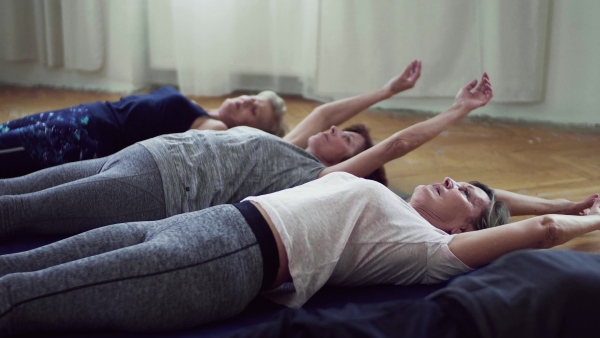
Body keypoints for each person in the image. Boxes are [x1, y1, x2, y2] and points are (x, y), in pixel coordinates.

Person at [1, 171, 599, 336]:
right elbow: (519, 206)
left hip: (225, 258)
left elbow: (537, 229)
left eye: (465, 193)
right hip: (203, 222)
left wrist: (586, 219)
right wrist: (574, 202)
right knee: (21, 267)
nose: (453, 180)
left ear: (471, 226)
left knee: (25, 299)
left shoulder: (431, 249)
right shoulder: (384, 196)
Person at [0, 60, 428, 238]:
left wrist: (395, 93)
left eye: (347, 138)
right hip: (104, 138)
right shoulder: (215, 120)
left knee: (22, 205)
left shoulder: (283, 157)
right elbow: (327, 115)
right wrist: (388, 89)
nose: (333, 127)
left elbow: (387, 145)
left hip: (114, 160)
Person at [0, 86, 288, 178]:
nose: (247, 101)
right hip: (81, 115)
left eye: (254, 111)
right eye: (253, 98)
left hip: (83, 137)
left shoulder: (215, 128)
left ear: (250, 130)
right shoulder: (201, 110)